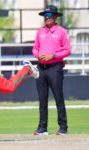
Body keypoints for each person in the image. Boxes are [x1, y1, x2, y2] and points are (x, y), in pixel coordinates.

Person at [32, 5, 71, 135]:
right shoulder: (40, 31)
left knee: (58, 98)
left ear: (55, 17)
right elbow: (35, 48)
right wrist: (38, 55)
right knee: (42, 100)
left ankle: (63, 128)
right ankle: (42, 128)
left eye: (49, 16)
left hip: (55, 68)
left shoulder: (61, 31)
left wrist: (53, 56)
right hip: (41, 69)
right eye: (45, 16)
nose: (46, 18)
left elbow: (67, 50)